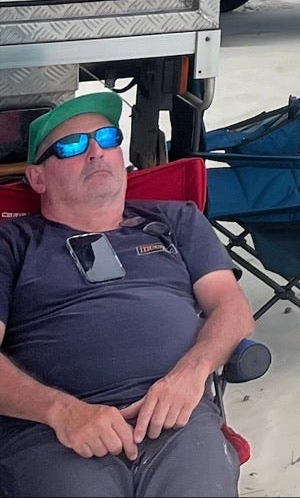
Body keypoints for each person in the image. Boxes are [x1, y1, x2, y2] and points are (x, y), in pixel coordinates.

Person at [0, 93, 255, 496]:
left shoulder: (176, 219)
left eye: (107, 136)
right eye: (72, 146)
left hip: (177, 418)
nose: (96, 152)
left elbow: (231, 307)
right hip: (51, 435)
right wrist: (62, 412)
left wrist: (190, 375)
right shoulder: (11, 242)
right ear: (38, 178)